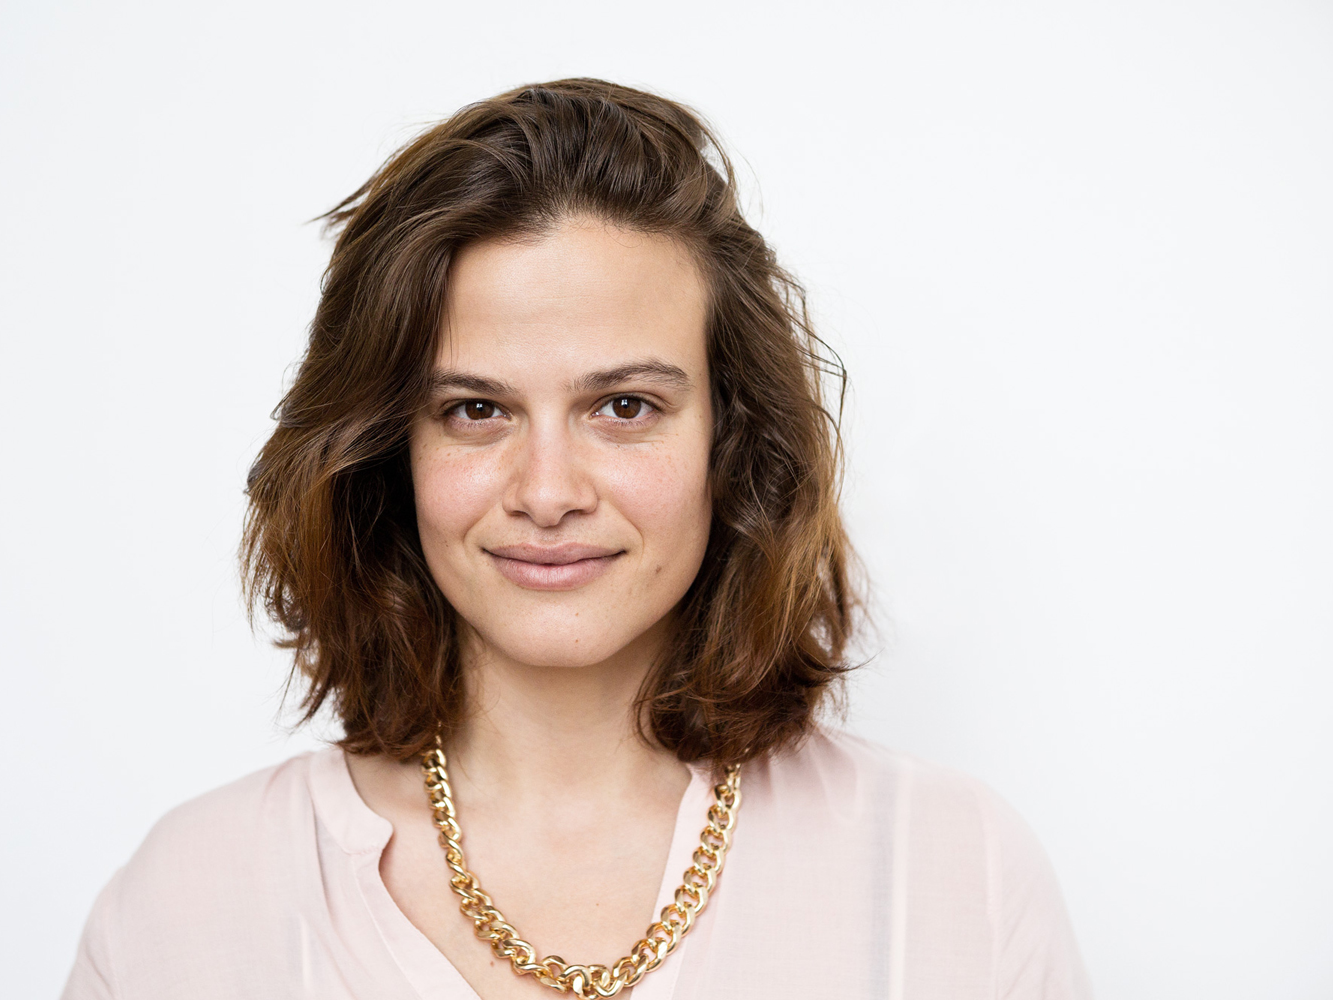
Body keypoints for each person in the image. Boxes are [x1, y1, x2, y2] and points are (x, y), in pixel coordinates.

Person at [61, 78, 1090, 1000]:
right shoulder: (185, 910)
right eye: (475, 410)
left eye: (625, 406)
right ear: (386, 452)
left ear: (732, 438)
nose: (547, 493)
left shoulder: (953, 873)